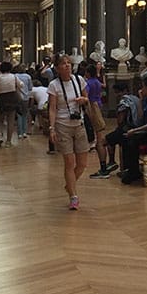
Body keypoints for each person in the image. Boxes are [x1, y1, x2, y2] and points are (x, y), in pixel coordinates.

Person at [48, 55, 90, 209]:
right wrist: (51, 128)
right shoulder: (54, 85)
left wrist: (82, 100)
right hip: (62, 124)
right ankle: (73, 196)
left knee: (82, 163)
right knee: (69, 162)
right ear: (58, 68)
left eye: (68, 63)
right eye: (63, 64)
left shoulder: (79, 80)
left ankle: (69, 185)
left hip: (79, 123)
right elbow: (52, 108)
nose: (67, 66)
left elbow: (87, 98)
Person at [86, 63, 117, 178]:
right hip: (99, 105)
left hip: (93, 108)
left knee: (99, 138)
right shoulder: (97, 82)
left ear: (88, 73)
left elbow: (86, 95)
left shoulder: (88, 83)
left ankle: (104, 167)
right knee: (100, 135)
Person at [0, 60, 20, 147]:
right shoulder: (14, 77)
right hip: (12, 99)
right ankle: (9, 141)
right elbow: (21, 85)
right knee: (11, 121)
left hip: (1, 99)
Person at [14, 63, 33, 139]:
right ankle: (24, 132)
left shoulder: (15, 76)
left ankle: (19, 133)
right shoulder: (28, 77)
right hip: (26, 97)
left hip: (17, 97)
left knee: (19, 115)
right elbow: (30, 88)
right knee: (25, 114)